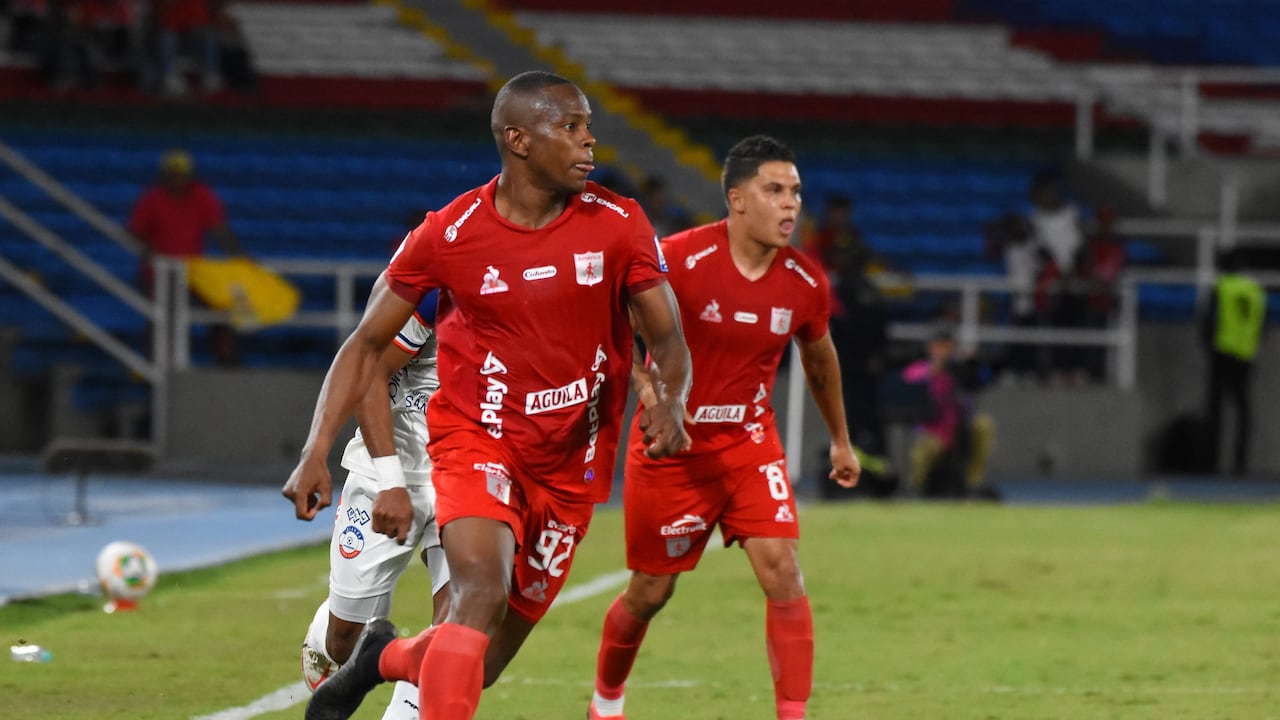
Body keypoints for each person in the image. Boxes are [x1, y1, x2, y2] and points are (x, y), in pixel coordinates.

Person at [283, 70, 692, 720]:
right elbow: (365, 345)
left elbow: (667, 337)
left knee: (484, 661)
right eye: (572, 127)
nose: (590, 143)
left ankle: (381, 660)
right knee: (477, 598)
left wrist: (668, 399)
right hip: (478, 442)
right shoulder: (450, 234)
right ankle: (371, 663)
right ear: (518, 139)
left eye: (589, 127)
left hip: (570, 467)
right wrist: (316, 451)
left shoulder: (619, 223)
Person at [587, 135, 861, 720]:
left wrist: (840, 439)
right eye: (775, 190)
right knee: (651, 592)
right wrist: (647, 393)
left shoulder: (807, 283)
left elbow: (819, 360)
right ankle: (606, 701)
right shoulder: (677, 260)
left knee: (782, 568)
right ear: (737, 199)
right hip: (671, 451)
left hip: (747, 444)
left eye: (795, 192)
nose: (790, 204)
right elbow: (609, 331)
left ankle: (793, 714)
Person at [300, 291, 449, 720]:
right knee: (346, 640)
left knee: (458, 618)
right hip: (390, 464)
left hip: (467, 466)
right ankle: (327, 632)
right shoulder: (436, 281)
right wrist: (389, 481)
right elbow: (370, 369)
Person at [128, 147, 243, 365]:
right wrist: (152, 255)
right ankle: (156, 362)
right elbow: (136, 233)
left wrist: (240, 257)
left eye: (181, 173)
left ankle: (225, 358)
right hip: (159, 275)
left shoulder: (201, 195)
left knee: (221, 304)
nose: (177, 179)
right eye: (173, 173)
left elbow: (219, 230)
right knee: (161, 315)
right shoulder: (153, 199)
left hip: (193, 274)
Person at [901, 327, 996, 499]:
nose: (944, 350)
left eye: (948, 345)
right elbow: (910, 387)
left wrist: (975, 363)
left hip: (957, 429)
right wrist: (935, 369)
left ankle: (973, 483)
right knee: (924, 448)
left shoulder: (959, 370)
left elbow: (984, 379)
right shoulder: (918, 370)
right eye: (940, 345)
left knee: (983, 424)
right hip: (931, 431)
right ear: (930, 347)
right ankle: (914, 488)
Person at [1200, 248, 1267, 476]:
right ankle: (1241, 463)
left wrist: (1207, 345)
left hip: (1222, 352)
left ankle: (1211, 463)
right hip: (1246, 355)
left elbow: (1208, 320)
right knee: (1243, 410)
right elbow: (1262, 325)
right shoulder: (1255, 290)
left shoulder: (1222, 287)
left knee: (1215, 409)